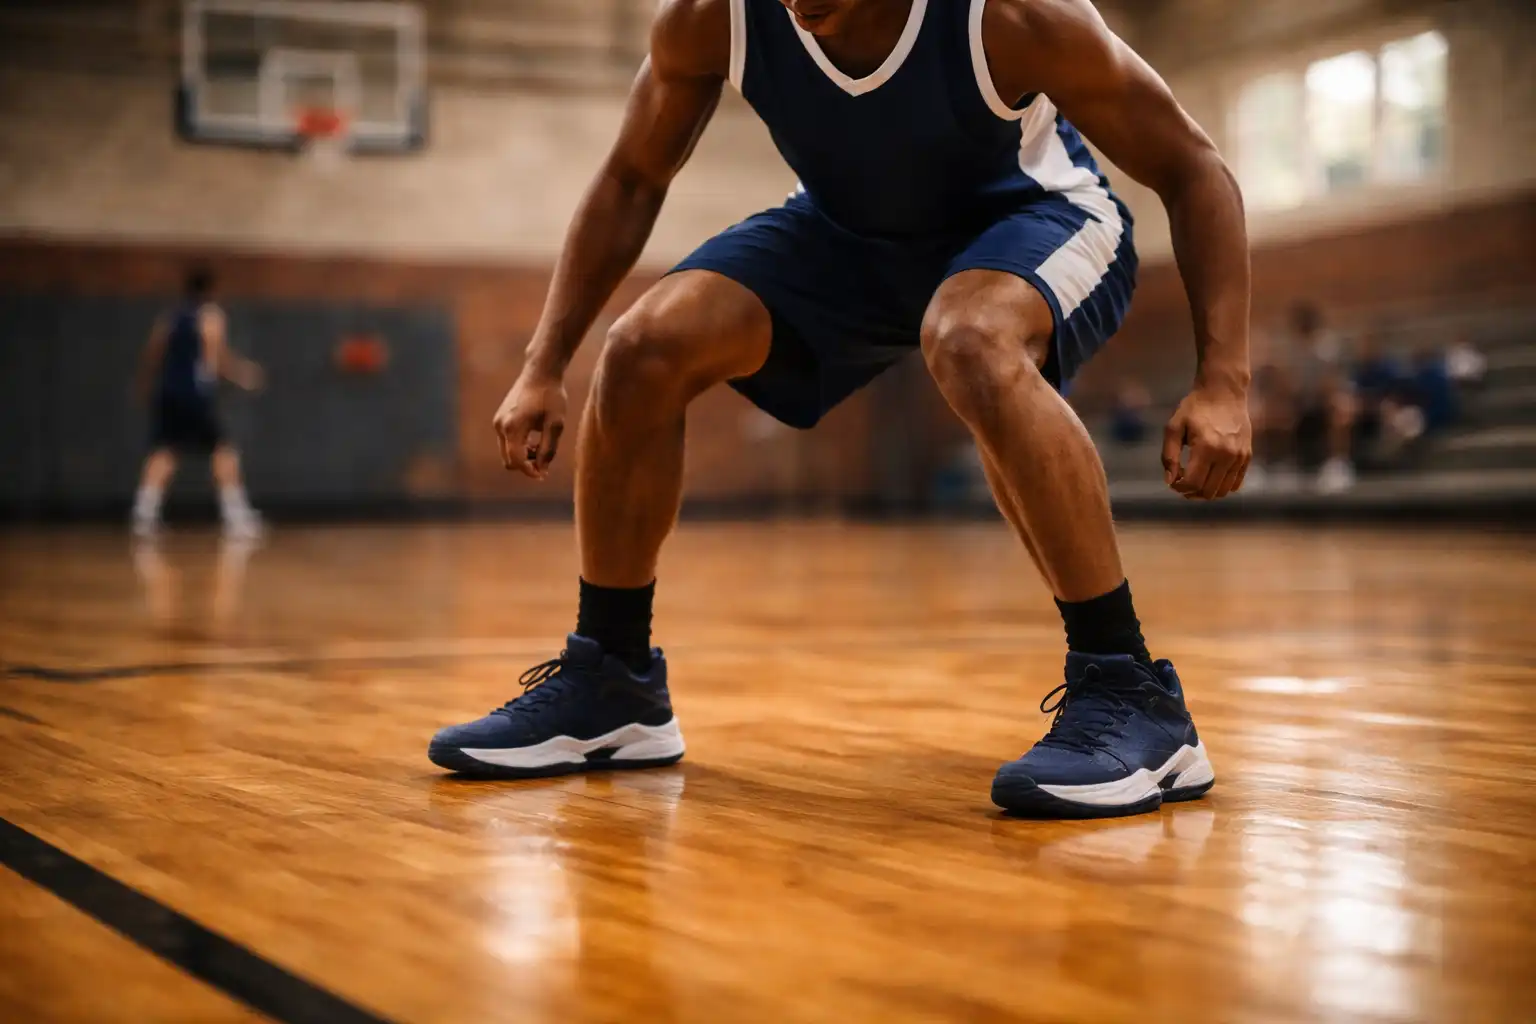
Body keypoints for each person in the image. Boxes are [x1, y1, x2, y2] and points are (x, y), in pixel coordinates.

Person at [429, 0, 1253, 819]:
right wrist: (543, 362)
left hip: (1036, 219)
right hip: (846, 237)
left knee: (967, 339)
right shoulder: (711, 16)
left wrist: (1224, 381)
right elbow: (631, 177)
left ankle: (1131, 687)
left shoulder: (1013, 16)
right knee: (643, 347)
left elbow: (1193, 166)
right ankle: (612, 680)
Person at [132, 267, 265, 538]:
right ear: (211, 290)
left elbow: (153, 352)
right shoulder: (210, 315)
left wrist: (146, 384)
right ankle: (236, 517)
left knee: (165, 449)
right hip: (194, 394)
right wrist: (242, 374)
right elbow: (215, 357)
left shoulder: (170, 317)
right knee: (222, 450)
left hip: (167, 392)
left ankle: (143, 515)